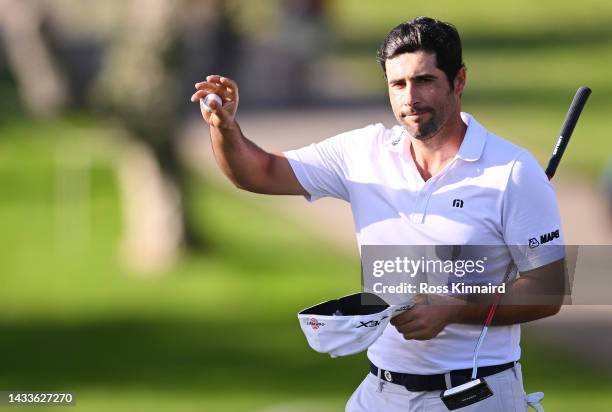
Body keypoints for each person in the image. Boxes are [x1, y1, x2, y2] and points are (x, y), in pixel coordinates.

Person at [190, 16, 566, 412]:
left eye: (424, 81)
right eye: (397, 84)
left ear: (459, 81)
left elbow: (550, 289)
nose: (409, 98)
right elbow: (259, 172)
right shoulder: (363, 152)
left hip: (474, 394)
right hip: (381, 393)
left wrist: (456, 307)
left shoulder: (512, 171)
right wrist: (225, 129)